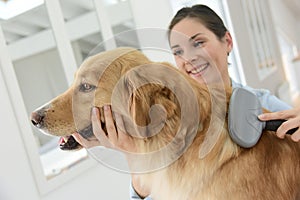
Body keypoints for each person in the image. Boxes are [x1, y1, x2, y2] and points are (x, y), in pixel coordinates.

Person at [72, 4, 300, 199]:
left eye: (198, 43)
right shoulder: (166, 123)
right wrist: (136, 159)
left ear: (227, 41)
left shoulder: (263, 104)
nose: (189, 57)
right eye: (178, 51)